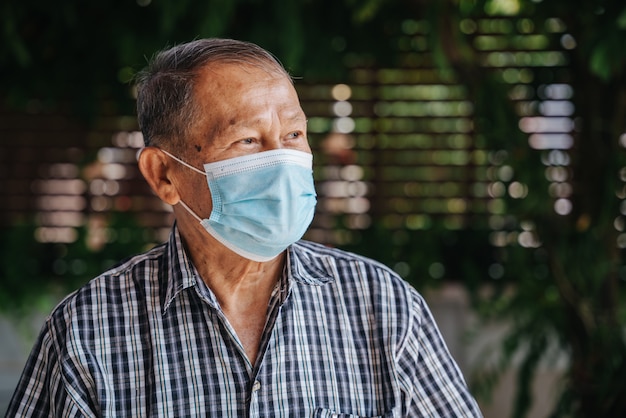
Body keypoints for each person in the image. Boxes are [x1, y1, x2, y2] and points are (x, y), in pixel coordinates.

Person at [6, 38, 483, 417]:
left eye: (294, 134)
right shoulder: (87, 334)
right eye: (247, 140)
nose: (283, 159)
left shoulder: (384, 308)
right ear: (163, 175)